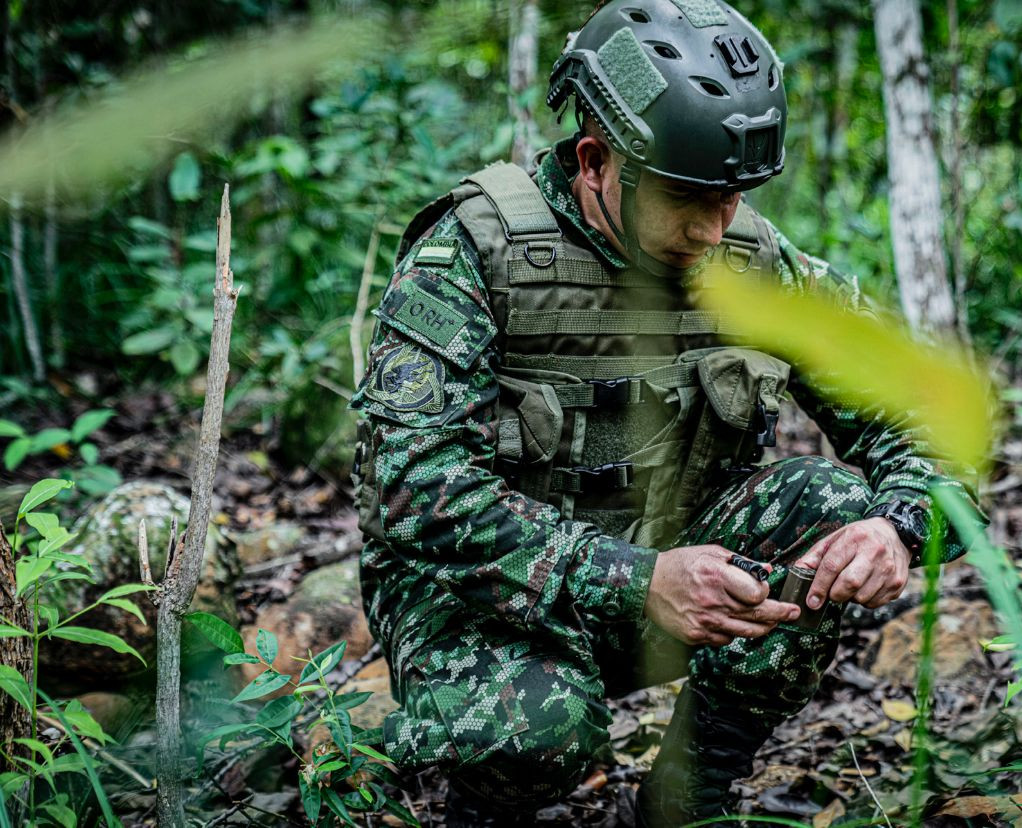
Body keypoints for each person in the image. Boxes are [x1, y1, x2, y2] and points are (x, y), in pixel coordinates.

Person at [350, 1, 980, 825]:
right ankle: (489, 808)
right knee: (534, 731)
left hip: (675, 566)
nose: (715, 228)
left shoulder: (753, 264)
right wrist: (636, 580)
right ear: (594, 160)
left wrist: (898, 527)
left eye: (735, 196)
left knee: (829, 508)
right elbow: (411, 490)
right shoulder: (471, 253)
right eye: (689, 196)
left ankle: (692, 792)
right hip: (493, 601)